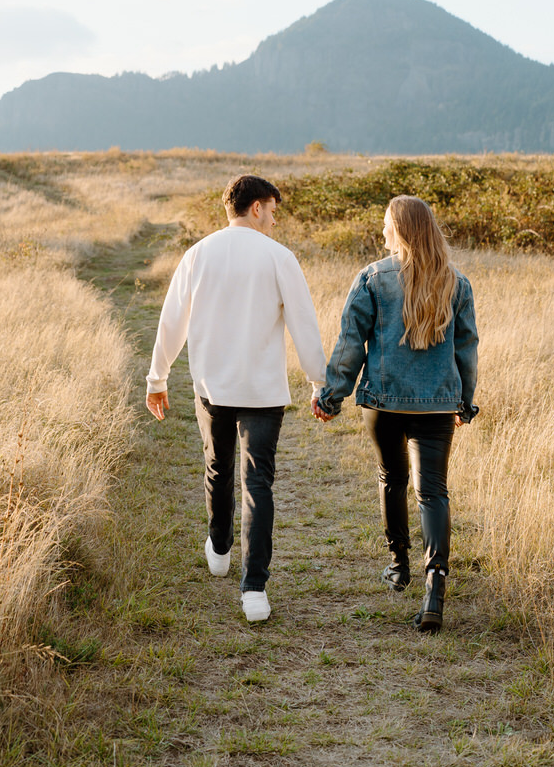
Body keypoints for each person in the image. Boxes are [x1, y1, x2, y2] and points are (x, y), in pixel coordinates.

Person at [146, 174, 327, 623]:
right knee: (258, 483)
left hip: (213, 388)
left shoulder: (198, 254)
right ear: (256, 207)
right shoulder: (280, 257)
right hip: (263, 391)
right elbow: (304, 322)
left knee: (218, 467)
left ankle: (221, 547)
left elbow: (173, 320)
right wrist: (319, 382)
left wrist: (158, 377)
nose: (273, 220)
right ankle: (254, 589)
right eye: (272, 210)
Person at [312, 195, 478, 633]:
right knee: (433, 493)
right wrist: (466, 401)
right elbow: (467, 350)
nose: (382, 231)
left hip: (384, 403)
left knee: (393, 479)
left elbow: (350, 346)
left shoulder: (372, 278)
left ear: (401, 230)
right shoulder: (456, 282)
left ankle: (399, 566)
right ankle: (434, 589)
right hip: (439, 404)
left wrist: (332, 397)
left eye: (387, 224)